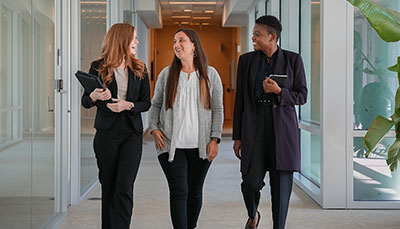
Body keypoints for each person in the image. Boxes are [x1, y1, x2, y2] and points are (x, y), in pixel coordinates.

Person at [233, 15, 307, 229]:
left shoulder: (294, 60)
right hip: (254, 128)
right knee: (250, 182)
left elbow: (302, 95)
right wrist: (237, 136)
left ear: (272, 37)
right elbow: (240, 101)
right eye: (253, 34)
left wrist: (279, 92)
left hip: (283, 131)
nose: (253, 38)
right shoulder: (246, 61)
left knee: (281, 188)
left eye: (258, 34)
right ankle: (253, 213)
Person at [148, 28, 223, 229]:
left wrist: (215, 139)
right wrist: (153, 128)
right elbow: (155, 104)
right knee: (179, 190)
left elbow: (217, 109)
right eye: (174, 41)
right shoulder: (167, 74)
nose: (176, 44)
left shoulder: (210, 74)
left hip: (202, 146)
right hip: (171, 145)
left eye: (181, 40)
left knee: (195, 190)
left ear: (193, 46)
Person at [81, 23, 150, 229]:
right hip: (106, 134)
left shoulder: (140, 68)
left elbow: (146, 102)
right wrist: (93, 96)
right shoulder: (98, 67)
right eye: (134, 38)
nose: (137, 42)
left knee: (125, 187)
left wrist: (128, 105)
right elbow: (85, 101)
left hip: (131, 134)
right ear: (121, 40)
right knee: (109, 188)